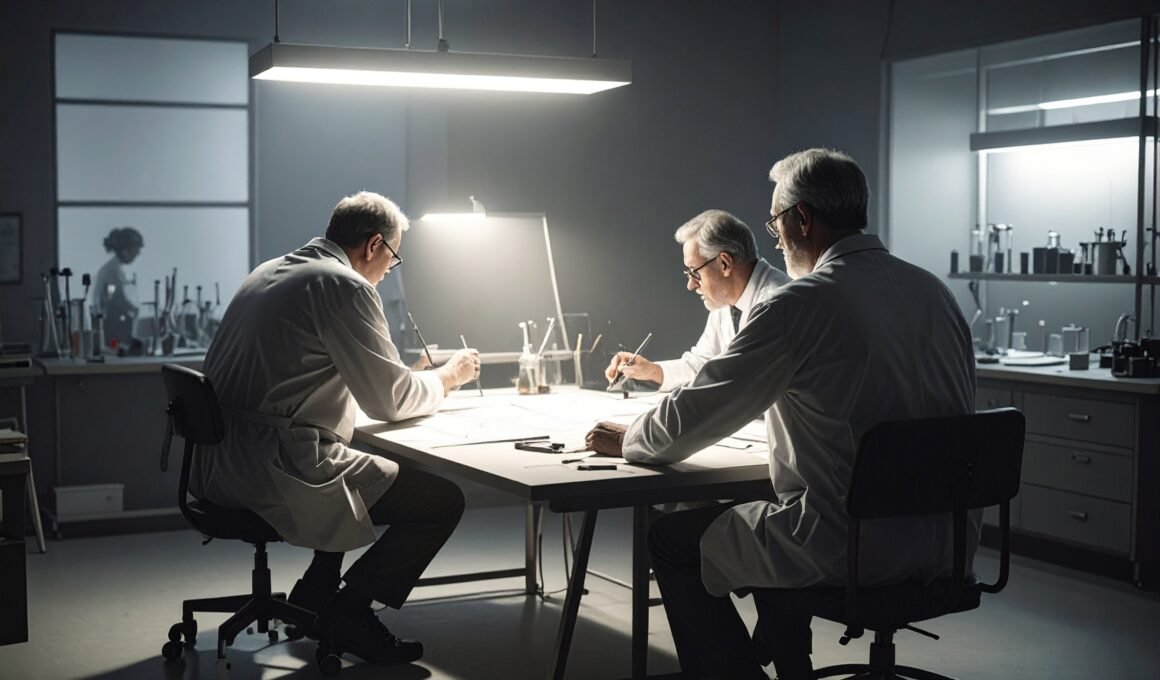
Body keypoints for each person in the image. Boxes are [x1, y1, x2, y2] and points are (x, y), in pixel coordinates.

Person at [586, 149, 976, 680]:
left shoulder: (801, 303)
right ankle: (788, 661)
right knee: (757, 508)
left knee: (671, 540)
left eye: (775, 224)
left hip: (850, 546)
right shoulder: (934, 292)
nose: (776, 239)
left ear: (802, 219)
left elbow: (701, 411)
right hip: (947, 547)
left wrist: (631, 437)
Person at [191, 191, 480, 666]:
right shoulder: (345, 286)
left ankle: (314, 591)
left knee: (361, 475)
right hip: (274, 464)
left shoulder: (270, 270)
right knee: (439, 501)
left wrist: (401, 376)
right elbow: (389, 401)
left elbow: (311, 374)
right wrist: (447, 377)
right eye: (394, 255)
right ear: (373, 246)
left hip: (220, 460)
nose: (391, 268)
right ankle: (349, 610)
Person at [604, 209, 790, 390]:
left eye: (694, 272)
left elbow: (744, 384)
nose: (691, 285)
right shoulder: (726, 302)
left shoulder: (777, 304)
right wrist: (651, 370)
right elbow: (703, 364)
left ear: (724, 263)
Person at [92, 226, 143, 347]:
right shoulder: (112, 271)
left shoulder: (114, 269)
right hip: (111, 330)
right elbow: (114, 298)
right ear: (125, 250)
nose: (138, 254)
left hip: (113, 327)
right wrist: (137, 310)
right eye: (136, 250)